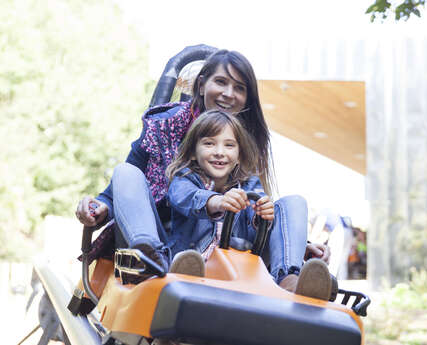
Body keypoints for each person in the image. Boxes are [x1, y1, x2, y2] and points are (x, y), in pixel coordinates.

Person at [75, 49, 331, 295]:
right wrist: (100, 206)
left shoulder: (246, 158)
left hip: (235, 255)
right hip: (173, 242)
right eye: (221, 82)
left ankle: (289, 278)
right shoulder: (181, 162)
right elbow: (175, 193)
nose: (228, 94)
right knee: (125, 172)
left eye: (239, 88)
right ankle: (150, 258)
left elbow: (260, 212)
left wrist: (287, 237)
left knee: (293, 202)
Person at [165, 110, 334, 299]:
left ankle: (289, 279)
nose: (220, 152)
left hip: (241, 271)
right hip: (195, 266)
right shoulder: (184, 179)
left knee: (294, 201)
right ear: (193, 152)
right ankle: (188, 272)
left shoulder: (249, 185)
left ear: (238, 156)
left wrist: (263, 214)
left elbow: (259, 216)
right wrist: (217, 201)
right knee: (191, 255)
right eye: (209, 144)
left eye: (229, 145)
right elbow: (185, 197)